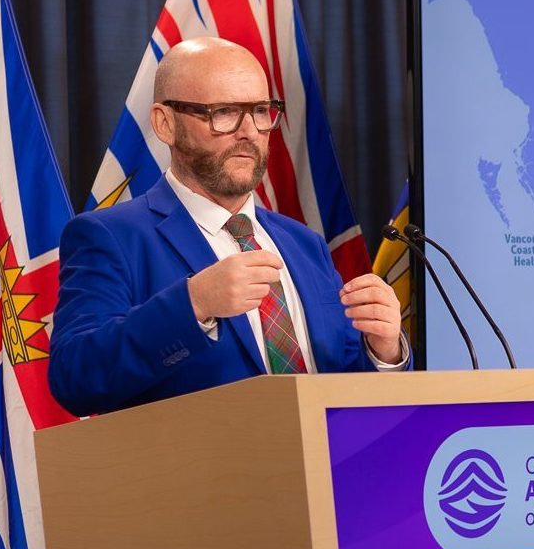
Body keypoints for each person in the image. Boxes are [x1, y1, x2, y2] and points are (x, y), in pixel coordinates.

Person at [49, 37, 410, 416]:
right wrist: (195, 303)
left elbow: (339, 381)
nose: (249, 131)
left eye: (259, 110)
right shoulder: (110, 237)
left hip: (326, 470)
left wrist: (383, 350)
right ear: (165, 123)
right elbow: (76, 378)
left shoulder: (305, 244)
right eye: (223, 112)